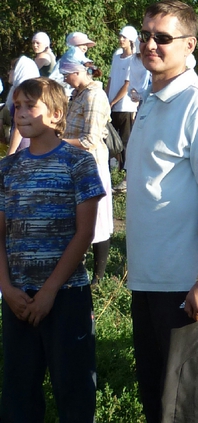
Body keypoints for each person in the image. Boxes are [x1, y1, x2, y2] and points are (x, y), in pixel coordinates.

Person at [125, 0, 198, 423]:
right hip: (149, 277)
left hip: (185, 284)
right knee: (156, 401)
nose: (150, 44)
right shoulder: (151, 99)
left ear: (190, 45)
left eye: (163, 38)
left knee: (186, 409)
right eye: (145, 35)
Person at [0, 77, 104, 422]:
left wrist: (48, 292)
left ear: (57, 114)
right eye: (17, 106)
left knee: (74, 391)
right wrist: (7, 288)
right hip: (18, 298)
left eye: (31, 106)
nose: (21, 113)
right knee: (19, 393)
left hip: (66, 294)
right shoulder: (7, 168)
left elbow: (84, 232)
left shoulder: (78, 162)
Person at [59, 48, 113, 286]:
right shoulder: (78, 94)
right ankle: (77, 271)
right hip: (75, 163)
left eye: (66, 74)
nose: (64, 79)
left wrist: (58, 142)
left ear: (77, 72)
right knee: (77, 219)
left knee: (98, 220)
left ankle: (98, 279)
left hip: (92, 166)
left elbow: (90, 140)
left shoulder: (94, 96)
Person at [106, 25, 140, 178]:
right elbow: (111, 79)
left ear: (131, 40)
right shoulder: (116, 57)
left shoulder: (133, 60)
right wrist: (107, 99)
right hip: (112, 106)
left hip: (125, 106)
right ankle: (110, 171)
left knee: (125, 141)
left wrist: (113, 101)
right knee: (109, 139)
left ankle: (126, 175)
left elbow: (127, 84)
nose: (121, 40)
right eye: (120, 36)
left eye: (124, 37)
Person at [6, 56, 40, 155]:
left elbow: (19, 127)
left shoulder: (23, 96)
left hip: (22, 143)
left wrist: (10, 153)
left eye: (12, 69)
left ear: (20, 70)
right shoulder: (29, 94)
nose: (9, 72)